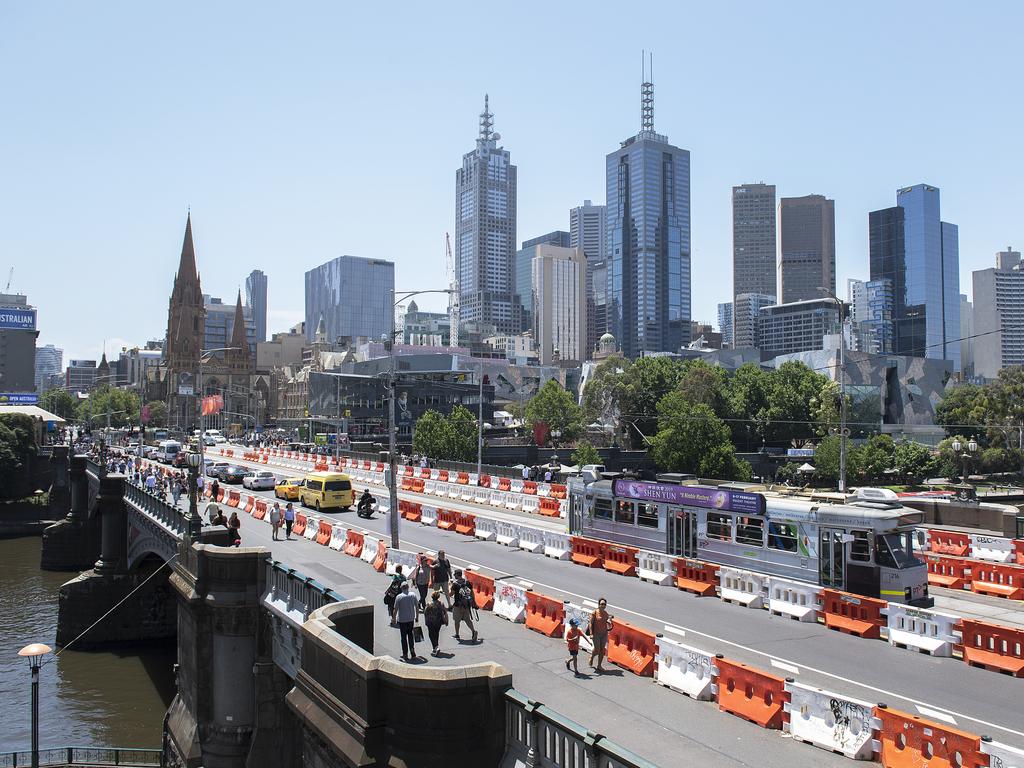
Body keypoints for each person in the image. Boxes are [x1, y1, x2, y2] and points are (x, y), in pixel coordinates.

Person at [393, 583, 420, 662]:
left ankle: (405, 653)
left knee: (403, 637)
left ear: (401, 588)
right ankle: (412, 651)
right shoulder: (413, 595)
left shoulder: (399, 597)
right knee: (410, 635)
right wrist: (417, 617)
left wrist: (394, 618)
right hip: (411, 619)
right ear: (408, 587)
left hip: (402, 620)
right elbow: (417, 606)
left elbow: (395, 609)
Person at [450, 569, 477, 643]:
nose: (454, 575)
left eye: (455, 574)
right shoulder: (467, 582)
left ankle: (457, 634)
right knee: (467, 620)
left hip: (458, 605)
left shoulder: (455, 584)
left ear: (457, 575)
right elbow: (472, 593)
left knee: (456, 620)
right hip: (466, 605)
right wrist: (473, 602)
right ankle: (473, 631)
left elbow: (451, 594)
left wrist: (450, 586)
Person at [588, 598, 613, 673]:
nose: (603, 605)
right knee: (597, 650)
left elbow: (607, 620)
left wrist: (610, 620)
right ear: (598, 605)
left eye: (604, 604)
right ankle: (592, 657)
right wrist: (591, 633)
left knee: (602, 650)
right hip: (596, 634)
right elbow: (590, 623)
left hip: (604, 634)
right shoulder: (595, 612)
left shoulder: (605, 613)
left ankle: (599, 665)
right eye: (601, 604)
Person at [423, 590, 448, 656]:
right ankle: (435, 647)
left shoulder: (428, 604)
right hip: (438, 622)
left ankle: (435, 647)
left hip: (430, 622)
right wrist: (446, 620)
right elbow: (445, 612)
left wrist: (426, 620)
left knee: (431, 635)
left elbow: (425, 612)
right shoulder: (441, 604)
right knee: (436, 633)